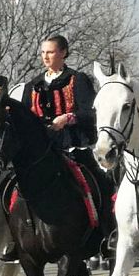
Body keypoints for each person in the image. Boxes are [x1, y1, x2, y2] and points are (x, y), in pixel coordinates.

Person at [19, 35, 114, 257]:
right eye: (43, 52)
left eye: (50, 52)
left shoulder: (77, 80)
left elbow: (91, 113)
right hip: (42, 152)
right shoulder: (32, 85)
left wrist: (68, 118)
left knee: (100, 183)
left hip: (73, 145)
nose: (45, 57)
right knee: (14, 185)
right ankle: (17, 237)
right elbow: (25, 118)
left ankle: (107, 234)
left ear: (63, 53)